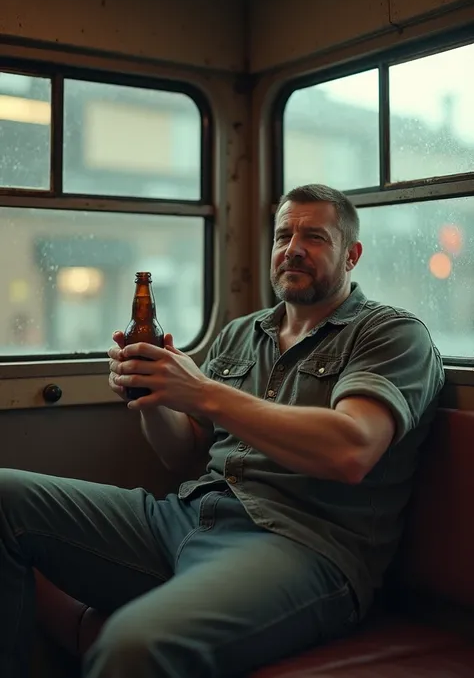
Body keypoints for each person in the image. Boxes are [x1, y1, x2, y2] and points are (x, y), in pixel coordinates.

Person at [0, 184, 444, 678]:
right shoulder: (241, 332)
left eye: (314, 237)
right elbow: (185, 455)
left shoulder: (390, 333)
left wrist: (203, 392)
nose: (293, 248)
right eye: (283, 235)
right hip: (187, 516)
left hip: (299, 545)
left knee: (132, 647)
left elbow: (352, 449)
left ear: (352, 254)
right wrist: (152, 397)